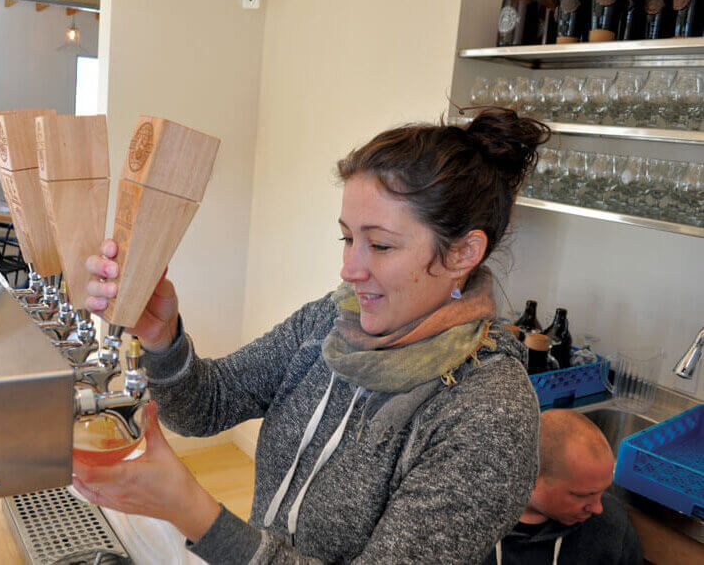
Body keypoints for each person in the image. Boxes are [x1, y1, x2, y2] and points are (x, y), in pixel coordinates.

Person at [77, 108, 549, 563]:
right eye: (347, 238)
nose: (349, 269)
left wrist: (194, 512)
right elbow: (207, 404)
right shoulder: (332, 320)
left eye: (380, 244)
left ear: (463, 252)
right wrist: (164, 338)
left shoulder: (489, 410)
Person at [484, 409, 643, 565]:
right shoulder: (471, 526)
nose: (598, 508)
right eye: (582, 495)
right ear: (531, 477)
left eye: (602, 491)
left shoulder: (612, 528)